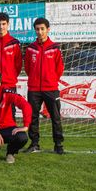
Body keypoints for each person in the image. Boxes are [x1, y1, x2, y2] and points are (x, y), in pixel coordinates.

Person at [24, 17, 64, 154]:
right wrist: (35, 80)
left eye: (42, 29)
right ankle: (34, 144)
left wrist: (51, 80)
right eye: (37, 29)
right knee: (33, 117)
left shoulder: (55, 48)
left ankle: (58, 145)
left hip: (51, 88)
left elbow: (59, 69)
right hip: (34, 89)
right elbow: (28, 68)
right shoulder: (30, 48)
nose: (40, 32)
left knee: (55, 117)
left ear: (48, 30)